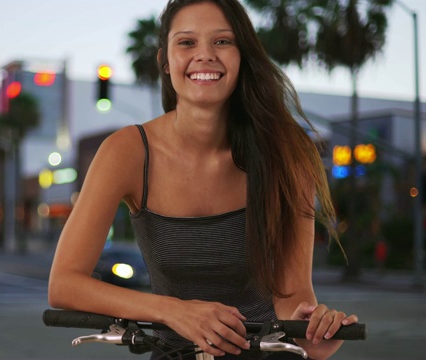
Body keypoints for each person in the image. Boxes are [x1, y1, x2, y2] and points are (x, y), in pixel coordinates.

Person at [48, 0, 358, 359]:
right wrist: (173, 310)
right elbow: (64, 284)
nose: (205, 55)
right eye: (186, 42)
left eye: (223, 41)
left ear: (243, 57)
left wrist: (313, 332)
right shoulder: (127, 152)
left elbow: (292, 298)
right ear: (166, 62)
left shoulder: (287, 151)